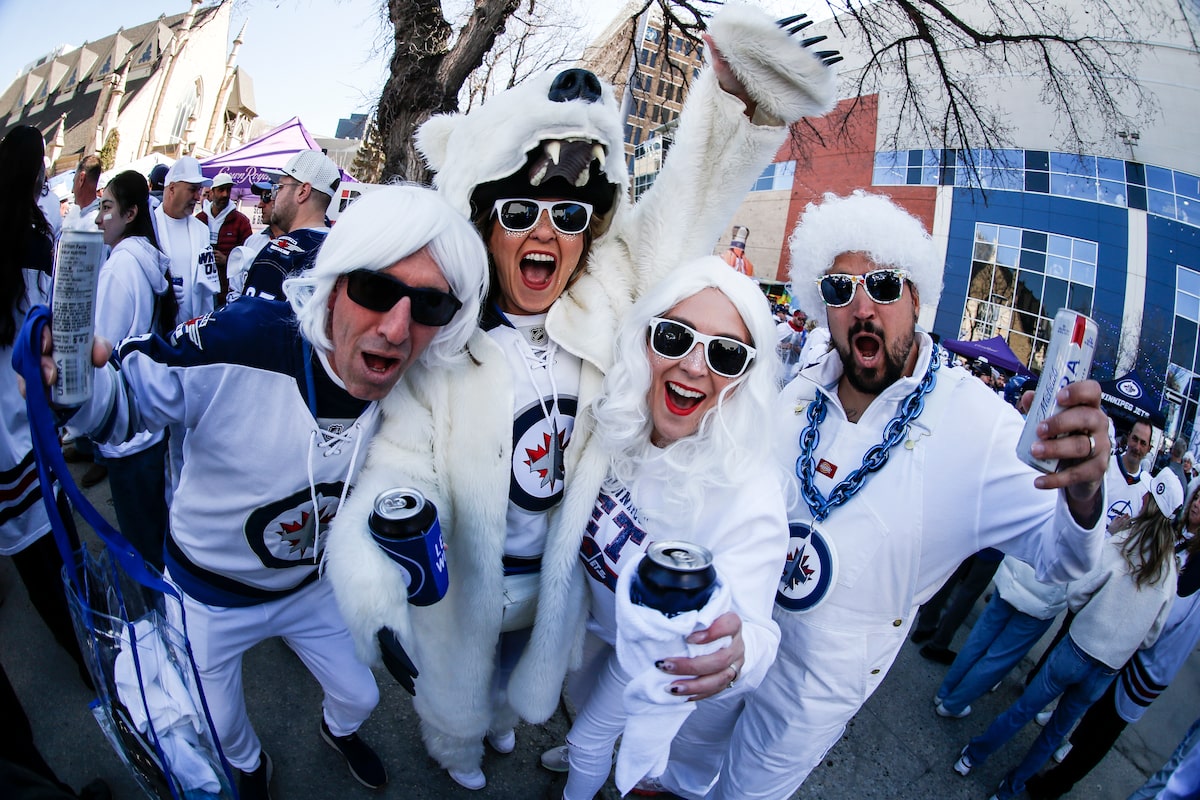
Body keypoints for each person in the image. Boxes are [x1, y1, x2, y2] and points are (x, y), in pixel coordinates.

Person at [323, 6, 840, 792]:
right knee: (455, 697)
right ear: (484, 221)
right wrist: (384, 554)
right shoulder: (448, 340)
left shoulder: (607, 307)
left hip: (555, 579)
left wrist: (738, 102)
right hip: (466, 575)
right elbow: (401, 467)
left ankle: (496, 726)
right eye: (520, 212)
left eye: (569, 215)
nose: (547, 233)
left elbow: (680, 224)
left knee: (514, 687)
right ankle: (455, 747)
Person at [32, 185, 489, 798]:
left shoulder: (423, 381)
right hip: (208, 594)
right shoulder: (242, 340)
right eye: (376, 290)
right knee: (222, 734)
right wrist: (76, 386)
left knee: (361, 694)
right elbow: (127, 404)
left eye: (429, 304)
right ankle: (252, 772)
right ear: (332, 283)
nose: (398, 327)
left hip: (308, 588)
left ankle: (336, 731)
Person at [695, 190, 1110, 800]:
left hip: (814, 693)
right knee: (686, 758)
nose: (862, 307)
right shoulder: (802, 389)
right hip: (732, 637)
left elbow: (1066, 561)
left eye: (884, 285)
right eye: (839, 290)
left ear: (917, 295)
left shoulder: (979, 423)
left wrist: (1085, 496)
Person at [558, 260, 788, 799]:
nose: (692, 366)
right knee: (580, 719)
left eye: (726, 354)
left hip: (649, 652)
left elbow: (755, 630)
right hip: (589, 631)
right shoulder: (619, 421)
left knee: (590, 743)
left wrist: (737, 656)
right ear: (646, 341)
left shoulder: (747, 491)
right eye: (675, 337)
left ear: (746, 379)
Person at [954, 470, 1179, 800]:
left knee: (1024, 710)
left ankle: (972, 756)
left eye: (1147, 497)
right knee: (1055, 731)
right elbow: (1151, 635)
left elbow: (1079, 593)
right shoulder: (1170, 569)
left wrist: (1087, 616)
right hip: (1107, 667)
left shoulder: (1121, 543)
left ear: (1149, 503)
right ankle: (1011, 789)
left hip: (1077, 648)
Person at [1022, 482, 1200, 799]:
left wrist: (1146, 593)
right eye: (1197, 496)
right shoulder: (1175, 536)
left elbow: (1171, 615)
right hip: (1127, 644)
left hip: (1147, 665)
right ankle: (1066, 729)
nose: (1198, 504)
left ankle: (1057, 782)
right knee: (1092, 697)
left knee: (1102, 730)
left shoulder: (1194, 559)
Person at [0, 124, 92, 689]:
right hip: (23, 418)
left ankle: (84, 652)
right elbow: (46, 335)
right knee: (58, 544)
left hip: (10, 429)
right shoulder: (31, 239)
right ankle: (97, 653)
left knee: (33, 561)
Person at [86, 169, 178, 571]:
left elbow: (100, 351)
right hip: (148, 416)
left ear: (131, 212)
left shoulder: (121, 267)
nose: (98, 217)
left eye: (107, 207)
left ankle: (161, 622)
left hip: (127, 425)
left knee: (144, 544)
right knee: (153, 531)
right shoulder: (144, 259)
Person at [931, 555, 1068, 719]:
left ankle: (945, 691)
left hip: (1014, 575)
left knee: (979, 638)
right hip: (1043, 599)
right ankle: (953, 704)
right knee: (999, 657)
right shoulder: (1092, 534)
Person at [240, 150, 340, 301]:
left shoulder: (280, 251)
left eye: (279, 188)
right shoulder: (340, 251)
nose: (275, 197)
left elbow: (250, 320)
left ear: (302, 192)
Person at [152, 156, 218, 324]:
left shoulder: (202, 230)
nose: (198, 196)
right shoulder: (150, 227)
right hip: (157, 328)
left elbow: (207, 289)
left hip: (190, 333)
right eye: (192, 189)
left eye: (199, 190)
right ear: (172, 188)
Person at [912, 548, 1005, 664]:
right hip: (994, 548)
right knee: (967, 595)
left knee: (947, 580)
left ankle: (923, 627)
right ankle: (938, 644)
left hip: (971, 537)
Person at [195, 172, 252, 305]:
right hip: (202, 287)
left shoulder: (241, 221)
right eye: (221, 190)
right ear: (212, 192)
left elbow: (248, 258)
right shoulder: (199, 219)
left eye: (228, 190)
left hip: (226, 290)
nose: (225, 194)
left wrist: (227, 260)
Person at [226, 181, 283, 298]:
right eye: (261, 198)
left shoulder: (303, 243)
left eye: (267, 197)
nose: (260, 204)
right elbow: (235, 289)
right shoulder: (252, 241)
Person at [1108, 419, 1154, 532]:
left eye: (1143, 443)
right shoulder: (1106, 466)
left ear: (1149, 448)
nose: (1137, 447)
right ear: (1128, 437)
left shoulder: (1147, 487)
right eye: (1135, 439)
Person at [63, 154, 101, 230]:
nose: (72, 191)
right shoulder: (75, 211)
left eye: (74, 182)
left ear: (81, 179)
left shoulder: (95, 221)